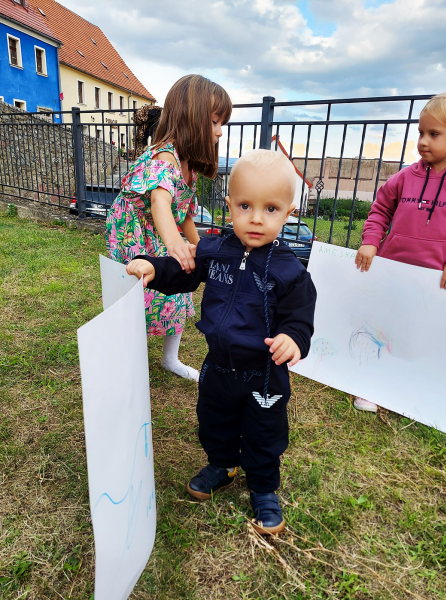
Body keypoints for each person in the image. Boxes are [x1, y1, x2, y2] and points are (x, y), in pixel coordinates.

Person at [127, 149, 317, 534]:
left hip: (264, 375)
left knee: (265, 433)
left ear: (289, 211)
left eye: (271, 209)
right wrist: (153, 265)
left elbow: (300, 320)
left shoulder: (291, 272)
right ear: (229, 206)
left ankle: (264, 488)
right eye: (245, 206)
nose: (257, 218)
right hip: (218, 367)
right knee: (214, 421)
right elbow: (182, 271)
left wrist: (292, 339)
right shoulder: (216, 251)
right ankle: (223, 465)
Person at [105, 75, 232, 381]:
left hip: (162, 230)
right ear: (193, 118)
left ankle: (169, 358)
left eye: (222, 123)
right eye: (215, 121)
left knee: (177, 288)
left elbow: (184, 211)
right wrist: (175, 246)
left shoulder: (190, 164)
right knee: (136, 292)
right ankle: (122, 355)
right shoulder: (165, 156)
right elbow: (160, 202)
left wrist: (199, 249)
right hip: (134, 232)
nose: (220, 131)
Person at [354, 90, 446, 412]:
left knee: (419, 336)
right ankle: (371, 385)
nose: (423, 141)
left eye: (433, 134)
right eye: (421, 133)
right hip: (393, 273)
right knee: (385, 329)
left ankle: (414, 389)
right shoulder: (404, 177)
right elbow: (380, 208)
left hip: (436, 282)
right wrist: (371, 240)